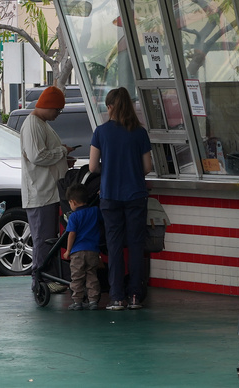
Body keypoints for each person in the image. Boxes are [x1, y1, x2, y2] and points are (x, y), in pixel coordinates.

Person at [88, 87, 152, 311]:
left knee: (114, 247)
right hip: (136, 194)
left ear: (111, 107)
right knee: (136, 246)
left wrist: (111, 169)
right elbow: (147, 167)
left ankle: (117, 297)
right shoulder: (140, 132)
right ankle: (135, 296)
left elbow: (93, 166)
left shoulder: (101, 132)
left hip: (110, 196)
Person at [20, 85, 75, 292]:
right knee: (42, 240)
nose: (58, 114)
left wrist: (63, 160)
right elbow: (37, 156)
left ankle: (48, 278)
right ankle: (40, 281)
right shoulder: (33, 125)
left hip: (47, 192)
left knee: (47, 239)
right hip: (40, 193)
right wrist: (62, 152)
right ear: (49, 106)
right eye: (58, 110)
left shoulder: (41, 124)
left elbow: (42, 155)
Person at [63, 183, 101, 311]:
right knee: (91, 275)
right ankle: (93, 301)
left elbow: (71, 234)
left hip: (77, 251)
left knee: (77, 277)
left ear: (73, 202)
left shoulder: (74, 216)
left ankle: (77, 301)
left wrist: (68, 250)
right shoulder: (95, 211)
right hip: (93, 250)